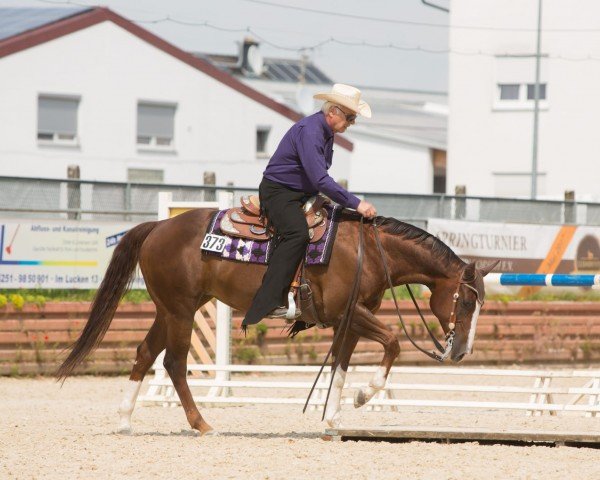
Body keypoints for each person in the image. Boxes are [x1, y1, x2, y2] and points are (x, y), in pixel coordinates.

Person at [242, 84, 377, 326]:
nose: (351, 123)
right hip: (279, 192)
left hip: (299, 193)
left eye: (353, 119)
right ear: (333, 112)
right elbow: (320, 178)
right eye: (350, 117)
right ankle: (271, 300)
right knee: (297, 234)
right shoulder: (312, 131)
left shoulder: (325, 132)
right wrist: (356, 203)